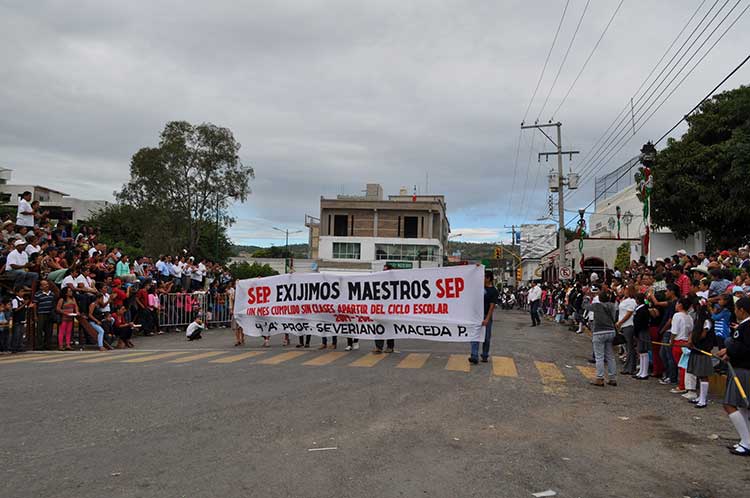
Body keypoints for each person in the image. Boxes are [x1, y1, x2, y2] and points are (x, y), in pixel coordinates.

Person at [718, 297, 750, 456]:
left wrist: (729, 350)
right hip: (742, 367)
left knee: (729, 404)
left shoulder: (745, 327)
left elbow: (743, 348)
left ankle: (746, 442)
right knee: (743, 405)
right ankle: (746, 439)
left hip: (742, 369)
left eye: (736, 308)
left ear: (742, 310)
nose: (735, 311)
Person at [583, 289, 618, 387]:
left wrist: (587, 297)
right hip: (611, 331)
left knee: (599, 357)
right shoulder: (612, 306)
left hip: (599, 332)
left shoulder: (597, 306)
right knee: (610, 356)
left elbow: (585, 306)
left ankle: (600, 378)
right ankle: (612, 378)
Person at [687, 303, 715, 408]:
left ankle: (703, 400)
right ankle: (700, 397)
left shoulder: (707, 321)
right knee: (699, 374)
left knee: (703, 375)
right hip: (696, 349)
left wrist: (694, 341)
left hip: (702, 350)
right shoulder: (698, 320)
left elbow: (703, 334)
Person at [469, 270, 499, 365]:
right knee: (474, 335)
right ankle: (474, 355)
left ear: (488, 278)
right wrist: (476, 268)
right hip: (476, 316)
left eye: (483, 277)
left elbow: (492, 306)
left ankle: (485, 355)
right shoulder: (478, 288)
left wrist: (487, 319)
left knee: (486, 337)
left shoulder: (494, 291)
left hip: (486, 316)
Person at [669, 298, 694, 394]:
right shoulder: (689, 317)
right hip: (686, 342)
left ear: (680, 305)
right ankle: (684, 384)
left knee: (681, 366)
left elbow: (674, 331)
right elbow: (691, 331)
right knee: (684, 365)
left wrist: (671, 341)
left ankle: (682, 385)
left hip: (678, 342)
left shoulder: (677, 315)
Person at [616, 285, 637, 375]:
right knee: (627, 347)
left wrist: (620, 322)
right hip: (623, 325)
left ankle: (629, 367)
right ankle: (629, 367)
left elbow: (629, 313)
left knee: (630, 347)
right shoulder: (626, 300)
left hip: (628, 324)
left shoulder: (632, 301)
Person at [33, 279, 57, 350]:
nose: (46, 285)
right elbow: (35, 305)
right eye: (44, 284)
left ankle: (48, 345)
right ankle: (39, 345)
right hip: (41, 314)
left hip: (49, 314)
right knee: (39, 330)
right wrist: (35, 315)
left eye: (47, 284)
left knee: (49, 330)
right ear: (41, 287)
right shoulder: (38, 294)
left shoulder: (52, 294)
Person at [632, 293, 651, 380]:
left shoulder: (642, 310)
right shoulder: (641, 309)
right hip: (640, 331)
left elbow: (639, 323)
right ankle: (641, 371)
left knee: (644, 351)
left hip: (642, 331)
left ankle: (644, 372)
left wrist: (636, 333)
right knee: (641, 351)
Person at [55, 287, 79, 351]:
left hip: (70, 317)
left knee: (69, 331)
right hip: (63, 318)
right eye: (69, 291)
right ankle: (60, 345)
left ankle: (68, 345)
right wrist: (65, 313)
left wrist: (77, 311)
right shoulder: (62, 299)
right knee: (62, 332)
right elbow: (58, 308)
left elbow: (76, 306)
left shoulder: (73, 298)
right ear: (66, 293)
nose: (71, 292)